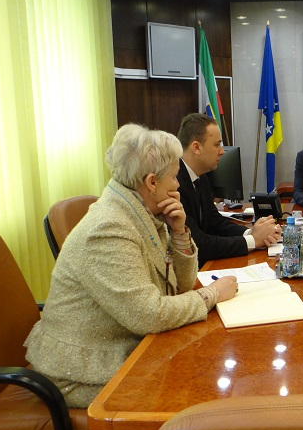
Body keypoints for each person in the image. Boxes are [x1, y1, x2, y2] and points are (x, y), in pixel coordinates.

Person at [24, 124, 238, 408]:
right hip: (82, 373)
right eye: (174, 177)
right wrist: (212, 294)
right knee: (198, 390)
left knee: (207, 367)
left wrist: (179, 233)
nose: (177, 185)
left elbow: (180, 286)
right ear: (152, 182)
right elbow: (149, 315)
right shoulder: (108, 228)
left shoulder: (141, 211)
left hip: (127, 347)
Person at [177, 113, 281, 269]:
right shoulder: (175, 183)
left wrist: (252, 232)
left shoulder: (201, 176)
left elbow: (215, 222)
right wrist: (254, 240)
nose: (222, 151)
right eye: (217, 145)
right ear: (196, 147)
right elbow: (198, 244)